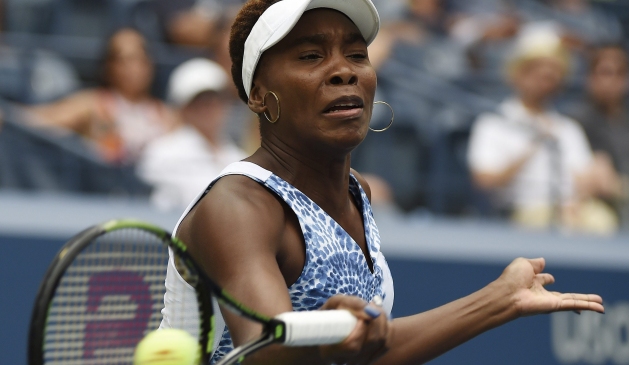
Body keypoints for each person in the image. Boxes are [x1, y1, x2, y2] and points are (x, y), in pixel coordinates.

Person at [160, 0, 604, 364]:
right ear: (258, 93)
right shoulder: (237, 204)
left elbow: (369, 355)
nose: (344, 71)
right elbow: (263, 348)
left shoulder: (358, 192)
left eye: (356, 54)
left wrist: (500, 300)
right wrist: (325, 336)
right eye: (311, 56)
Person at [467, 26, 617, 233]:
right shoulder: (493, 124)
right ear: (518, 74)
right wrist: (533, 146)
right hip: (521, 210)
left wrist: (594, 176)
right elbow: (484, 180)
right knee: (543, 222)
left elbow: (582, 176)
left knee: (602, 221)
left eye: (553, 73)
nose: (545, 78)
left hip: (571, 208)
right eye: (536, 70)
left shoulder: (568, 128)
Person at [25, 28, 177, 164]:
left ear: (149, 64)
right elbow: (42, 119)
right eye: (121, 60)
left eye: (137, 58)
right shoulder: (91, 104)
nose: (131, 67)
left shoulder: (167, 115)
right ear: (108, 66)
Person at [137, 58, 246, 211]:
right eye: (200, 102)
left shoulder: (238, 158)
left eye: (217, 100)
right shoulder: (161, 152)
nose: (210, 108)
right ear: (182, 107)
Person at [567, 44, 629, 227]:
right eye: (605, 72)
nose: (611, 81)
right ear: (590, 77)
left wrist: (624, 189)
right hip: (599, 219)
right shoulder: (572, 125)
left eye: (619, 74)